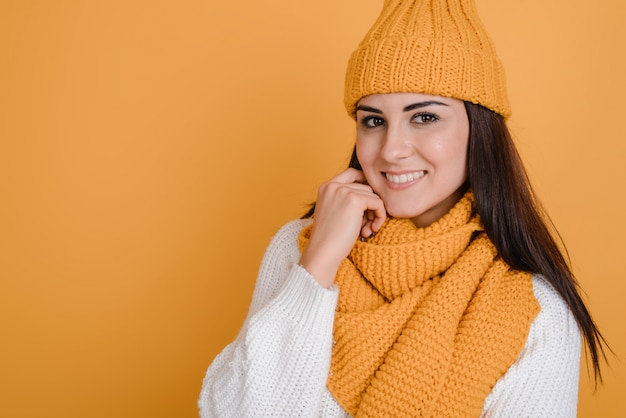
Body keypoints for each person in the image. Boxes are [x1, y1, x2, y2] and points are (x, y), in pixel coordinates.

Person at [198, 0, 607, 416]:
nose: (391, 150)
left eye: (425, 117)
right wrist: (318, 262)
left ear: (479, 130)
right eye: (373, 120)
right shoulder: (301, 248)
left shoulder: (533, 310)